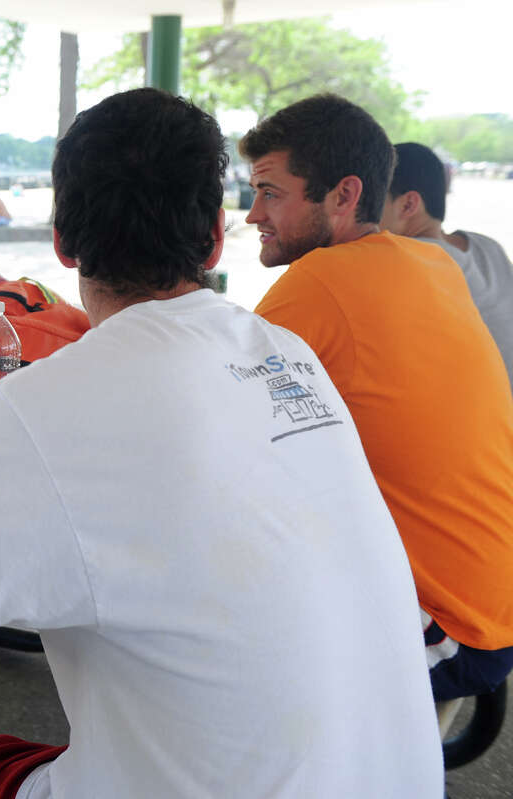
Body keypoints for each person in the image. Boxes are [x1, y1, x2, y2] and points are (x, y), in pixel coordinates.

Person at [0, 88, 442, 798]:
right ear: (212, 235)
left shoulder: (46, 404)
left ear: (62, 242)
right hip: (405, 777)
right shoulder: (287, 355)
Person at [242, 95, 513, 718]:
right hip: (487, 584)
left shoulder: (318, 282)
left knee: (226, 666)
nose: (253, 212)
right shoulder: (430, 262)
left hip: (449, 618)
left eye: (270, 192)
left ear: (343, 195)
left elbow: (212, 415)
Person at [381, 141, 513, 387]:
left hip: (480, 414)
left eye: (372, 202)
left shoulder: (408, 257)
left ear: (408, 204)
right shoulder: (488, 246)